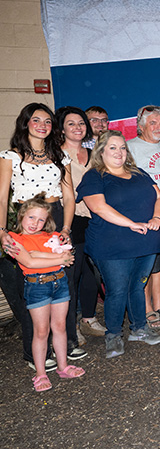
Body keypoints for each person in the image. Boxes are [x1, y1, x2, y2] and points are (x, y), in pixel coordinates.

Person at [0, 103, 77, 371]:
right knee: (30, 287)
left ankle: (66, 345)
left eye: (47, 120)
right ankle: (35, 354)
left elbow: (69, 195)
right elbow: (2, 198)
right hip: (26, 219)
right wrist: (1, 232)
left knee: (63, 279)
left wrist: (66, 228)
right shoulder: (11, 156)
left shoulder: (60, 156)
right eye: (36, 120)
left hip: (55, 217)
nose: (42, 125)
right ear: (26, 123)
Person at [77, 131, 160, 358]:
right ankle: (113, 334)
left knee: (137, 287)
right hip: (112, 246)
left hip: (145, 243)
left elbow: (159, 197)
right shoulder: (94, 176)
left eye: (122, 147)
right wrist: (131, 224)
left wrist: (156, 218)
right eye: (113, 148)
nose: (119, 152)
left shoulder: (139, 173)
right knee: (116, 291)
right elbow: (98, 207)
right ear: (101, 151)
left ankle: (139, 329)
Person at [8, 194, 84, 392]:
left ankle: (63, 366)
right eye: (31, 217)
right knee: (41, 331)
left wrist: (40, 255)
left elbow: (68, 255)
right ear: (21, 216)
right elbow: (29, 262)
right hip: (37, 286)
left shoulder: (52, 236)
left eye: (41, 219)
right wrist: (57, 259)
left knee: (59, 326)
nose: (35, 223)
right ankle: (40, 373)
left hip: (59, 284)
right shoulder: (14, 239)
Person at [127, 106, 160, 327]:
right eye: (153, 123)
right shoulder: (130, 147)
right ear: (141, 126)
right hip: (150, 218)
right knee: (148, 267)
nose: (159, 127)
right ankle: (147, 309)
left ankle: (159, 306)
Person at [56, 106, 105, 339]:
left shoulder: (94, 153)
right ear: (62, 129)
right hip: (70, 220)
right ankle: (70, 327)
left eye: (81, 123)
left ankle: (88, 318)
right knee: (71, 276)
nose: (78, 128)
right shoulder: (56, 156)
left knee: (91, 273)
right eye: (71, 124)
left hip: (95, 219)